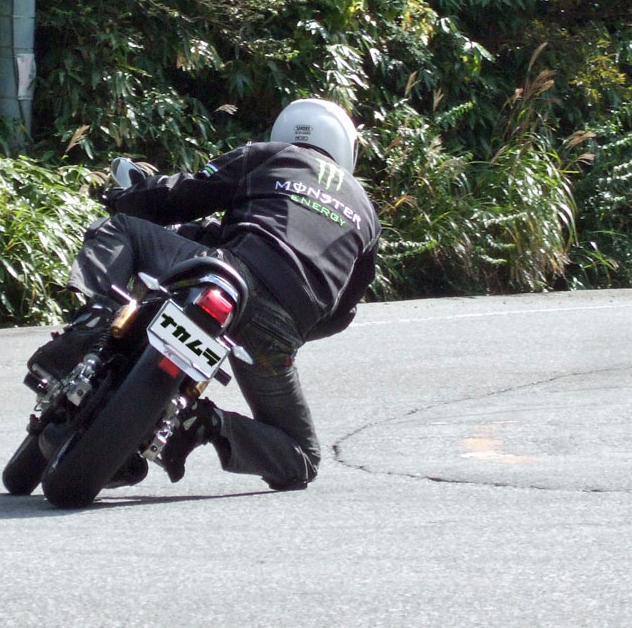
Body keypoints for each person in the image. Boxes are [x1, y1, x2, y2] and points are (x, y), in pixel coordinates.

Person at [32, 98, 381, 491]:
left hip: (230, 274)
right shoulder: (368, 214)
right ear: (345, 148)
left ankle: (93, 321)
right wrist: (289, 332)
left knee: (121, 227)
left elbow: (183, 195)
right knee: (303, 457)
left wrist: (125, 198)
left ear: (285, 131)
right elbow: (343, 312)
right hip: (282, 325)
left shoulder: (271, 155)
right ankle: (206, 423)